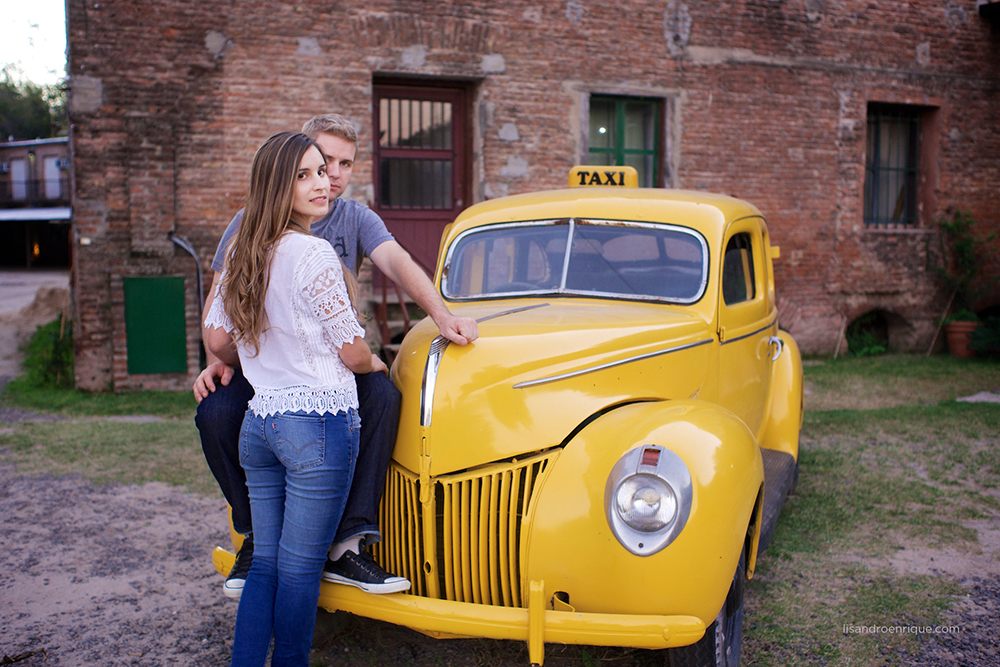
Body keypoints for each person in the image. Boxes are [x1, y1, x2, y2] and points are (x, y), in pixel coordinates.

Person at [194, 114, 479, 599]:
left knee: (384, 397)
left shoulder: (355, 218)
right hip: (272, 363)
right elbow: (218, 306)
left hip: (334, 362)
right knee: (216, 410)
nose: (334, 175)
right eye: (322, 163)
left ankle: (347, 545)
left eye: (343, 164)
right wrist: (221, 356)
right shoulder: (251, 220)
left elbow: (397, 262)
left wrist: (442, 315)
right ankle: (256, 534)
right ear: (293, 168)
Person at [205, 131, 376, 665]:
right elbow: (351, 351)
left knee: (269, 567)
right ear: (277, 187)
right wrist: (377, 362)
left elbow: (216, 337)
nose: (321, 183)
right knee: (301, 573)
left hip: (262, 426)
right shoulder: (314, 253)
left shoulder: (244, 253)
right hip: (317, 425)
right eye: (303, 175)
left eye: (321, 172)